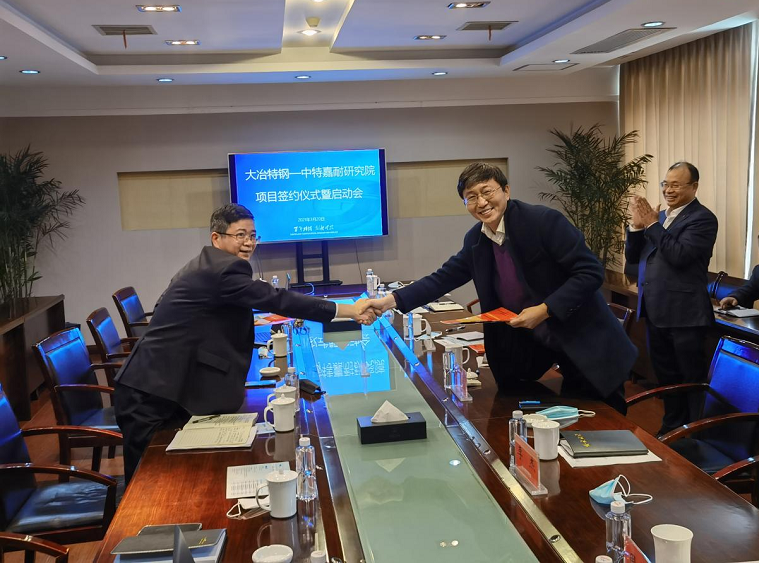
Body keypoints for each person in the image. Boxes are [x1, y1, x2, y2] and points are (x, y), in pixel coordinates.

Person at [115, 204, 376, 482]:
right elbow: (278, 299)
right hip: (152, 393)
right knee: (146, 481)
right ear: (217, 238)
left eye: (253, 236)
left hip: (162, 385)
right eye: (240, 235)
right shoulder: (224, 269)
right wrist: (348, 310)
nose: (249, 243)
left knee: (172, 477)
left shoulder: (205, 264)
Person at [370, 162, 637, 412]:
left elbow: (590, 272)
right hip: (546, 348)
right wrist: (389, 301)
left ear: (506, 191)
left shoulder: (543, 222)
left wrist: (545, 309)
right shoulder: (476, 239)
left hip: (590, 345)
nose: (481, 202)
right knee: (568, 421)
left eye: (487, 192)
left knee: (606, 424)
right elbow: (443, 278)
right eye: (471, 197)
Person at [625, 161, 718, 434]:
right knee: (666, 376)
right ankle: (672, 428)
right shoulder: (661, 217)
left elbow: (679, 255)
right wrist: (637, 227)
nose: (668, 190)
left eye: (676, 185)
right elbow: (634, 258)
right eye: (665, 184)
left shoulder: (703, 218)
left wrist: (652, 224)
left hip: (685, 314)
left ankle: (696, 433)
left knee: (690, 379)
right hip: (655, 310)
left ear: (694, 187)